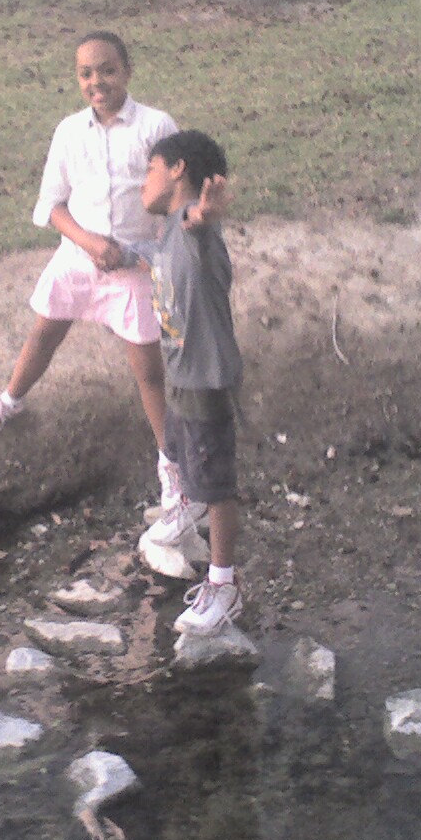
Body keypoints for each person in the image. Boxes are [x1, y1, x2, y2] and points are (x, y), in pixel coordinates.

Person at [0, 31, 185, 512]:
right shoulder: (68, 132)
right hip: (79, 256)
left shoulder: (155, 126)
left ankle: (170, 463)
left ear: (127, 71)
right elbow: (52, 205)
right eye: (86, 73)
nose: (96, 81)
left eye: (107, 70)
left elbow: (174, 196)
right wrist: (88, 243)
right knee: (44, 333)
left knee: (146, 365)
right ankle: (9, 402)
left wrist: (153, 251)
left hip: (135, 265)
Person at [138, 130, 244, 636]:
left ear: (178, 169)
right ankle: (186, 506)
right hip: (182, 373)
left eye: (150, 169)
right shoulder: (166, 234)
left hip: (206, 380)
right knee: (182, 450)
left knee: (218, 483)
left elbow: (197, 223)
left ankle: (223, 585)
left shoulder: (192, 226)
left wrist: (205, 213)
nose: (145, 181)